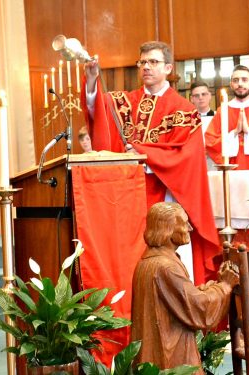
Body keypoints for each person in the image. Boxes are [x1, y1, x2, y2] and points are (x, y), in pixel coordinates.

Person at [82, 41, 221, 284]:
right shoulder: (124, 102)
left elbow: (186, 159)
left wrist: (144, 155)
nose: (146, 67)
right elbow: (96, 111)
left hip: (164, 194)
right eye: (143, 62)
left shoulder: (184, 110)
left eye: (153, 62)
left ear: (168, 68)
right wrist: (92, 79)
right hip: (126, 198)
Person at [131, 202, 239, 373]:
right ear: (167, 228)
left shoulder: (149, 261)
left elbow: (179, 299)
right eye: (183, 223)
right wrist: (225, 285)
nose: (189, 228)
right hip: (170, 356)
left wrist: (207, 289)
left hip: (156, 353)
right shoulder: (166, 267)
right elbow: (199, 308)